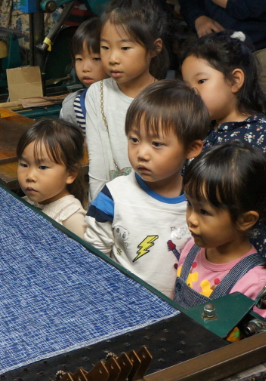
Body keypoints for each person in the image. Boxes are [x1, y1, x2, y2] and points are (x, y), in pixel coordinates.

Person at [85, 80, 209, 298]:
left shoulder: (200, 202)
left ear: (191, 148)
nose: (141, 153)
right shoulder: (113, 196)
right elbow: (91, 259)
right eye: (134, 139)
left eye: (157, 144)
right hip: (123, 305)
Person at [180, 30, 266, 239]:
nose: (192, 93)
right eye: (188, 87)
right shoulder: (200, 131)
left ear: (235, 80)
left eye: (201, 81)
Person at [85, 0, 169, 201]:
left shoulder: (168, 100)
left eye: (124, 48)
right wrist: (98, 211)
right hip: (112, 203)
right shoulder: (98, 94)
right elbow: (98, 162)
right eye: (105, 47)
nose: (112, 58)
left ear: (154, 49)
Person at [175, 141, 266, 309]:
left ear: (245, 220)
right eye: (189, 204)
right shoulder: (191, 248)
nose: (191, 219)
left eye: (204, 211)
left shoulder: (255, 285)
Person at [17, 119, 87, 238]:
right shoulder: (26, 201)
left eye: (43, 167)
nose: (30, 176)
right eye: (24, 165)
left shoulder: (71, 218)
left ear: (70, 173)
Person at [59, 17, 106, 135]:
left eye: (96, 59)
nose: (85, 68)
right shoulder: (72, 106)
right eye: (79, 59)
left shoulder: (132, 102)